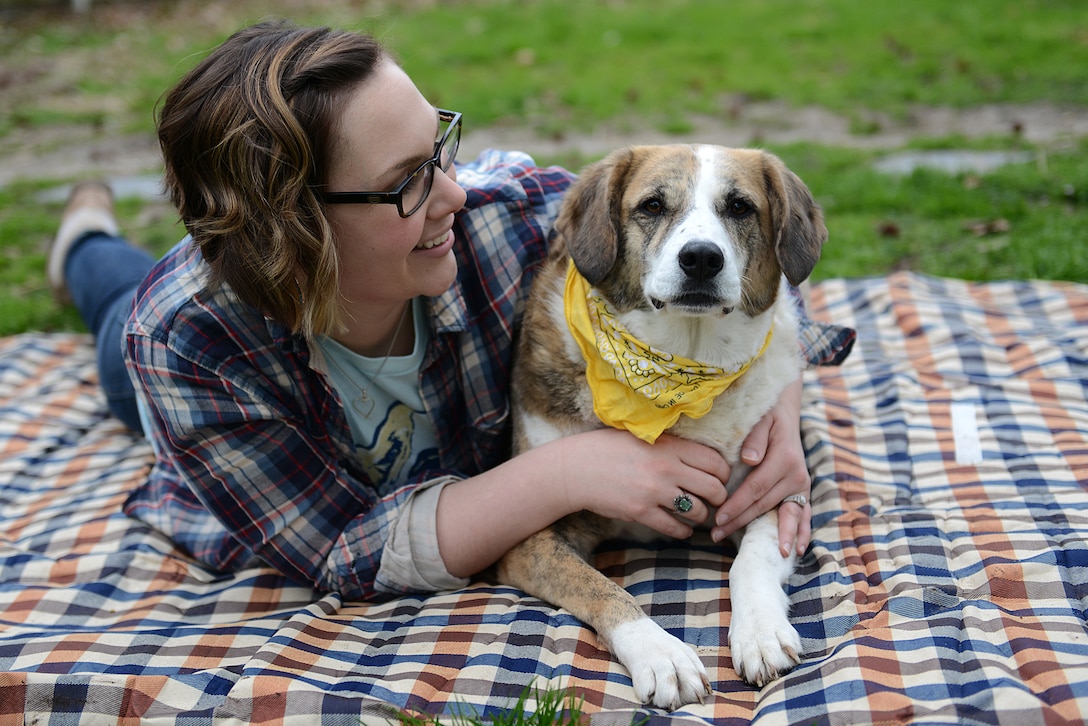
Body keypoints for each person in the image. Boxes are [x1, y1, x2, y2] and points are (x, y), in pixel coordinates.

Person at [47, 20, 854, 601]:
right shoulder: (189, 346)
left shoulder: (502, 221)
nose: (454, 194)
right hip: (179, 385)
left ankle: (88, 238)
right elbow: (339, 548)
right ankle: (82, 240)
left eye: (442, 147)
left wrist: (779, 408)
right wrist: (568, 469)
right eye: (407, 180)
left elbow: (725, 245)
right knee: (116, 310)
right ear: (295, 227)